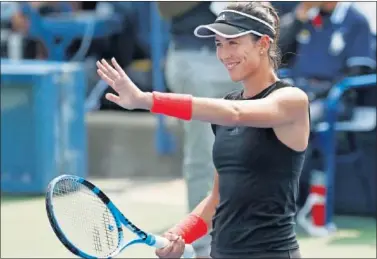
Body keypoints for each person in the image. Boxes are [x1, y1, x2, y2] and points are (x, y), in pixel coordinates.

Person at [96, 2, 310, 258]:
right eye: (219, 44)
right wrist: (176, 236)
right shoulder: (228, 104)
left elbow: (236, 115)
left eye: (233, 42)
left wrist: (147, 100)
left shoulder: (292, 100)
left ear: (263, 44)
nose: (224, 54)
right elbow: (217, 199)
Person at [156, 2, 242, 256]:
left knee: (251, 154)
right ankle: (202, 242)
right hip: (193, 58)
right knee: (203, 153)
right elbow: (165, 7)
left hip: (243, 57)